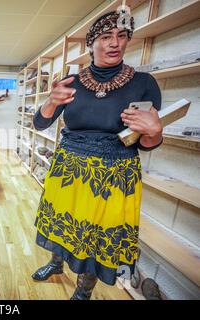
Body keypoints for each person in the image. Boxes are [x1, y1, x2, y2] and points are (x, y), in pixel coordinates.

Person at [31, 10, 163, 300]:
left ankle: (83, 290)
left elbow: (145, 142)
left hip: (114, 175)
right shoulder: (72, 83)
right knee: (61, 223)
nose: (114, 43)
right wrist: (51, 103)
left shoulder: (144, 84)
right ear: (91, 43)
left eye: (121, 36)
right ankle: (56, 264)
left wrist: (155, 131)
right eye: (105, 37)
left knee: (95, 237)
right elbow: (40, 123)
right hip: (69, 169)